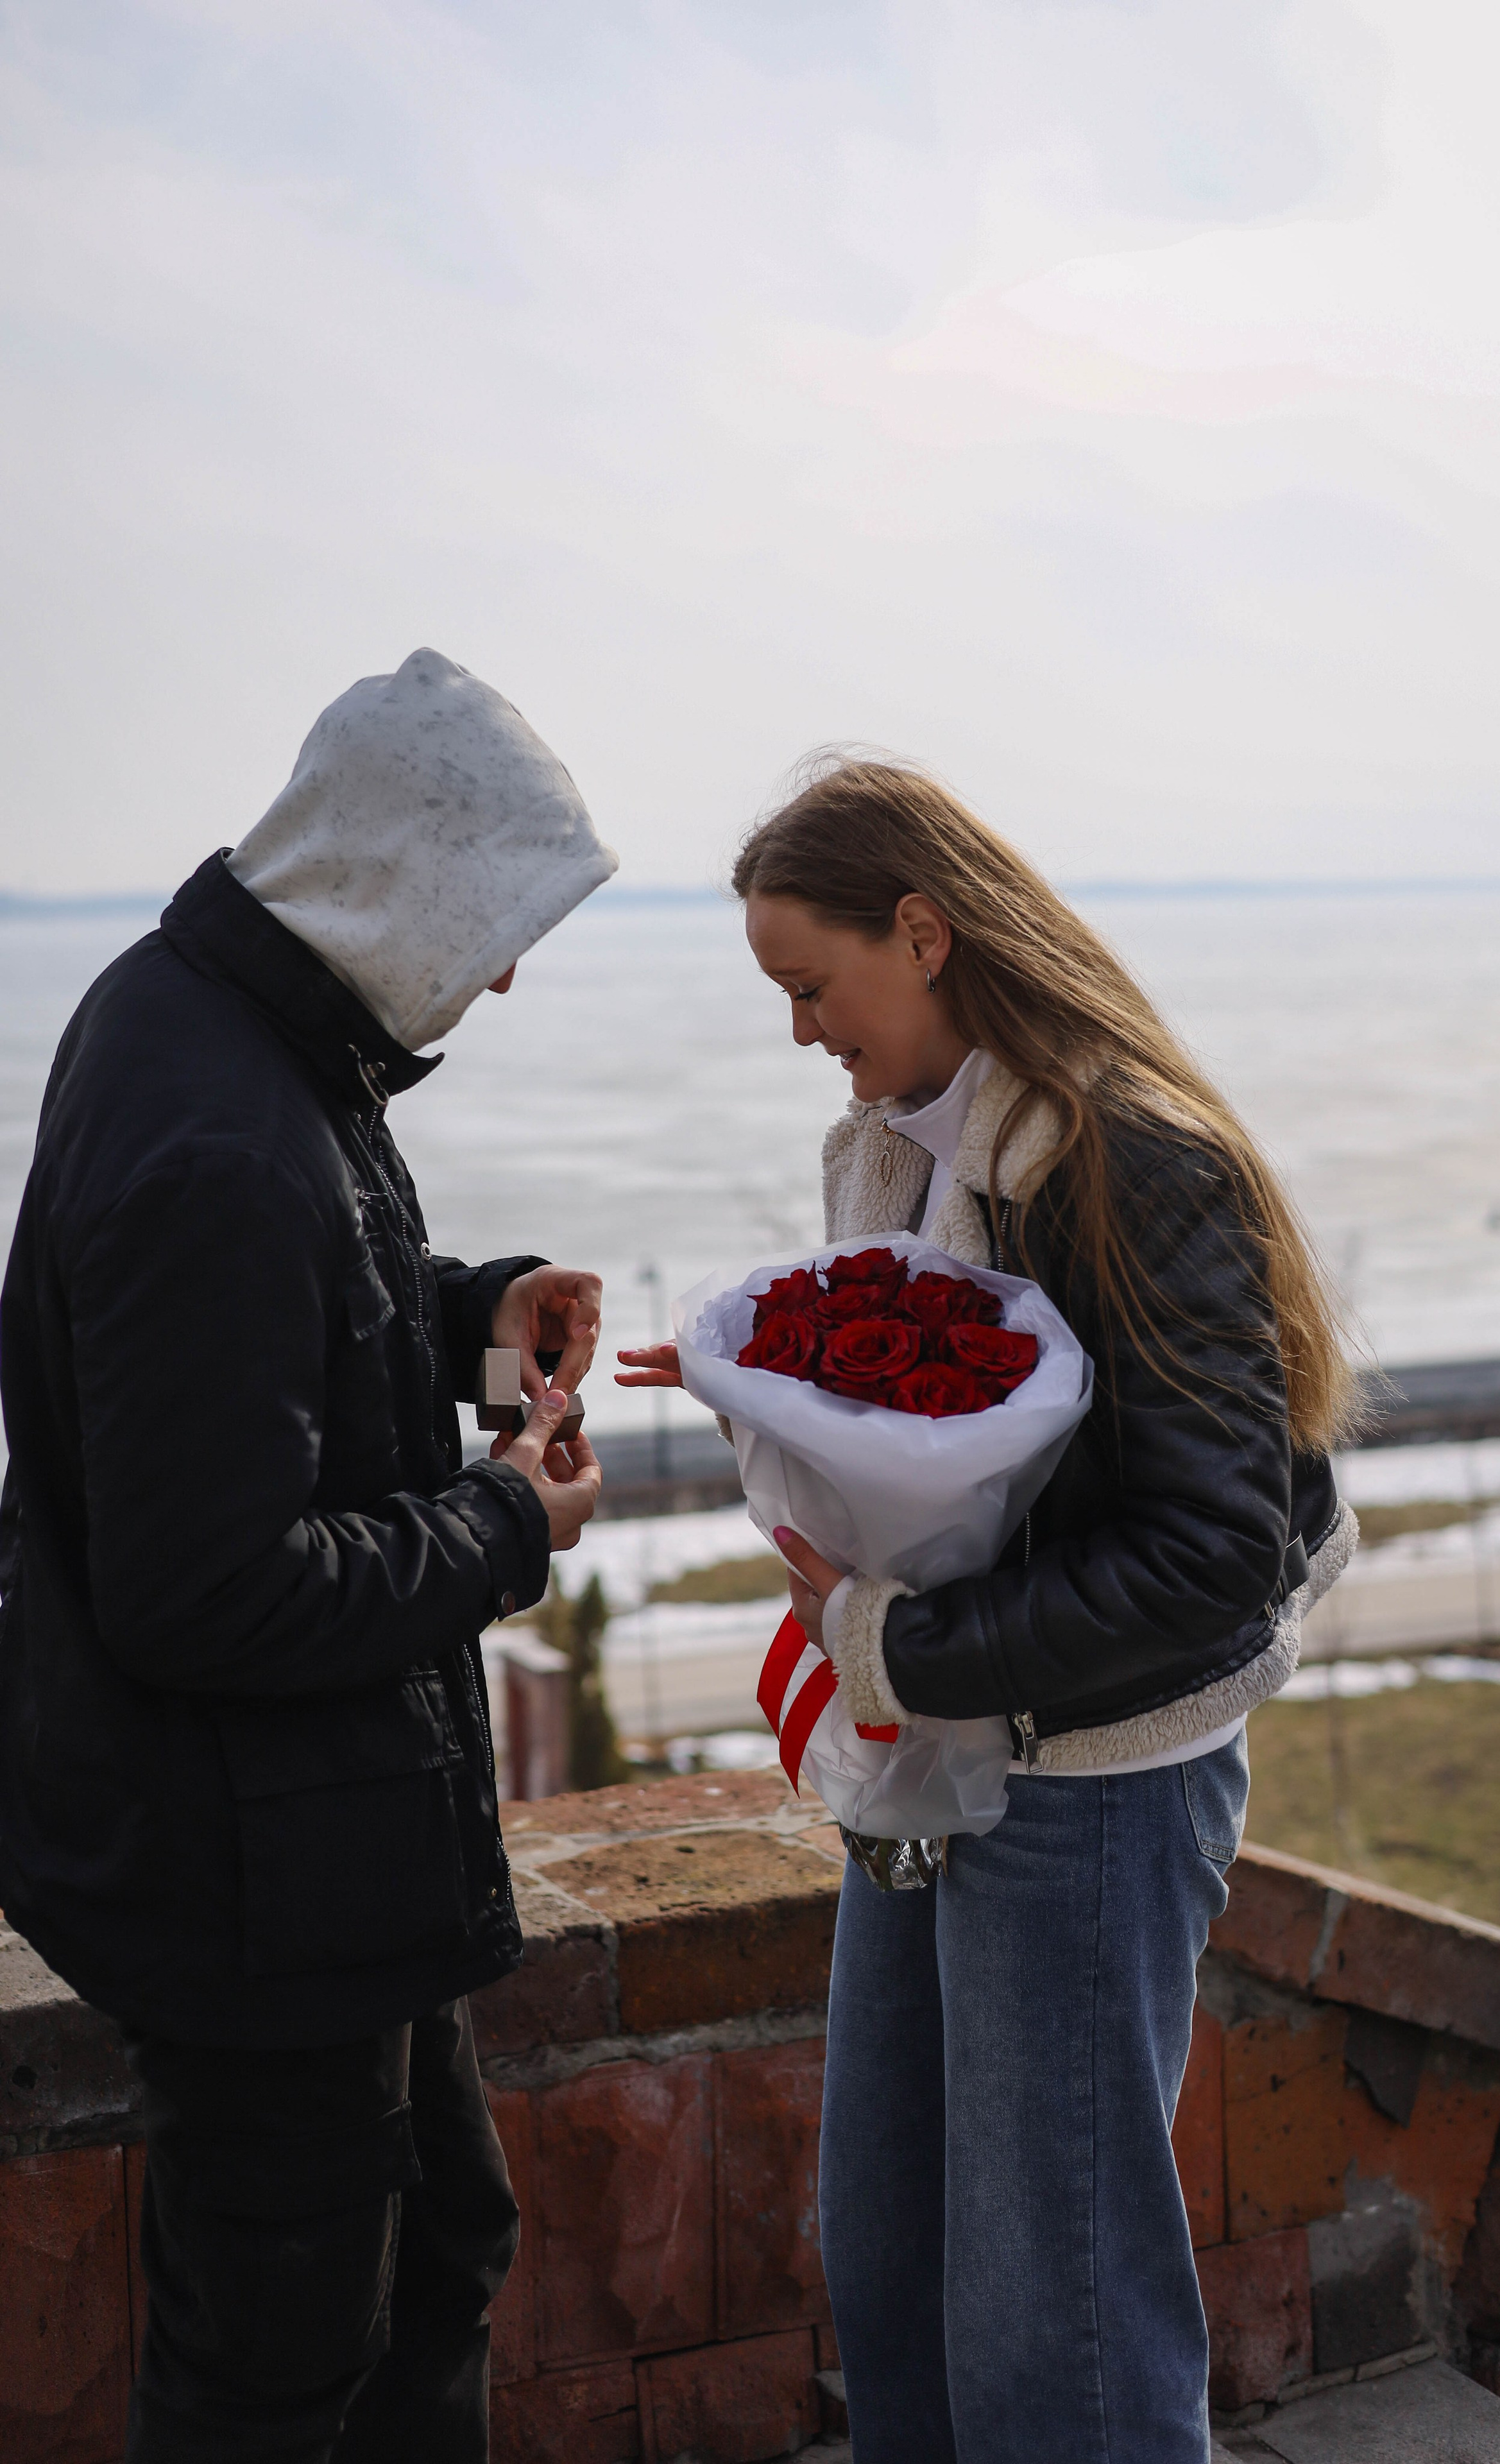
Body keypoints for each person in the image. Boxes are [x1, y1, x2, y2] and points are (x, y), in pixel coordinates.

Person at [617, 757, 1359, 2464]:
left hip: (1091, 1781)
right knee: (892, 2257)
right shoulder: (891, 1149)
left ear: (925, 932)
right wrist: (767, 1390)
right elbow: (959, 1456)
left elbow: (1211, 1554)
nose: (801, 1028)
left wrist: (896, 1648)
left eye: (811, 986)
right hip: (930, 1765)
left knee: (1059, 2318)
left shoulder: (1133, 1163)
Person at [0, 648, 615, 2462]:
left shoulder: (221, 1023)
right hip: (247, 1874)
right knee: (277, 2364)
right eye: (496, 921)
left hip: (307, 1852)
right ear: (403, 880)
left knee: (436, 2255)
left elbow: (257, 1346)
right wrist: (511, 1525)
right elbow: (212, 1591)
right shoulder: (226, 1126)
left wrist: (477, 1317)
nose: (503, 970)